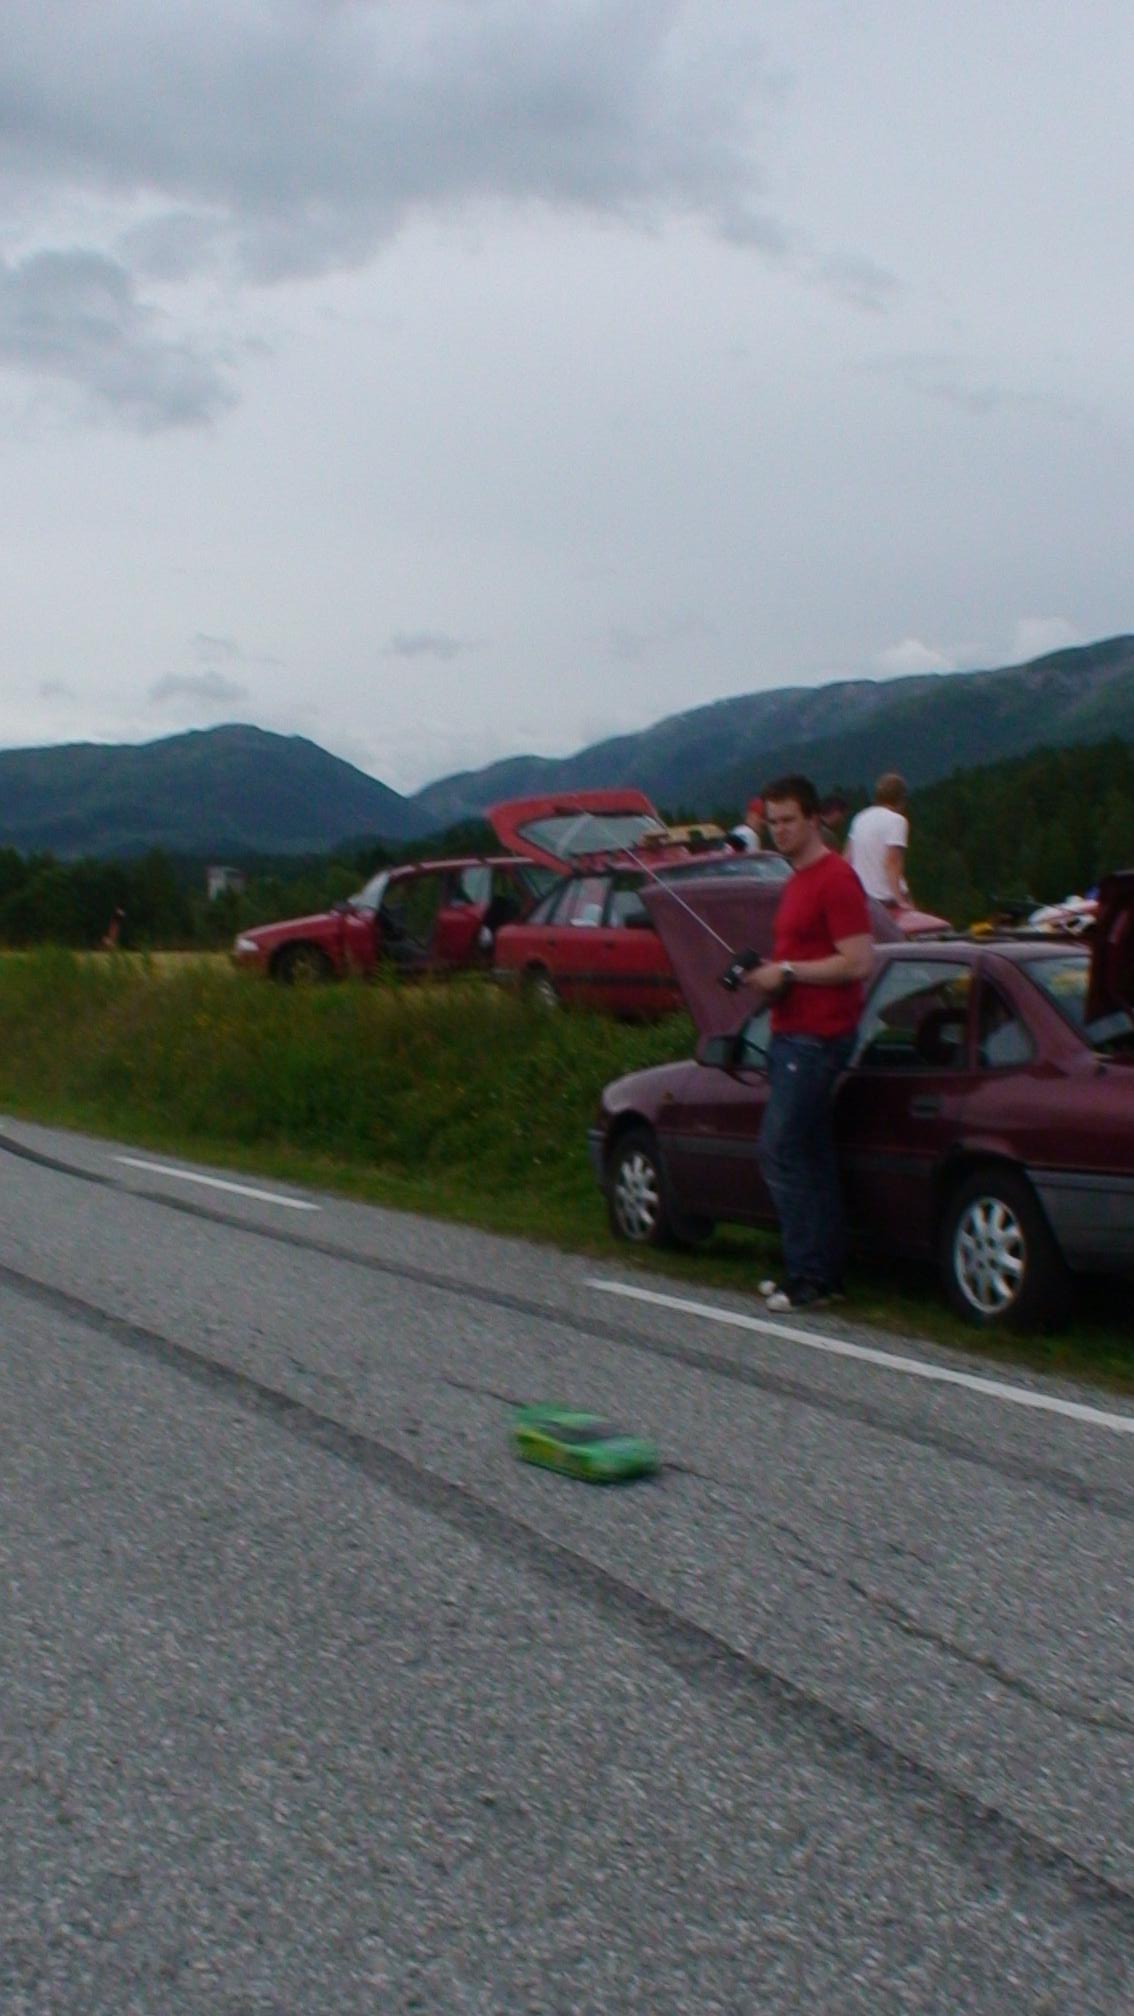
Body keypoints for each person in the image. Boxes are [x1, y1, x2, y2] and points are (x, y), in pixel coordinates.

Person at [741, 774, 873, 1312]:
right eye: (773, 822)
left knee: (780, 1150)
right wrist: (770, 976)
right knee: (813, 1155)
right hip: (789, 1031)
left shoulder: (835, 879)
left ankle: (805, 1274)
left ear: (814, 819)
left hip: (818, 1038)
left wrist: (789, 972)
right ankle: (823, 1274)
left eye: (789, 820)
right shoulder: (794, 881)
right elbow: (800, 959)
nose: (780, 831)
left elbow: (858, 962)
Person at [844, 772, 914, 909]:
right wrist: (900, 901)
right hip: (885, 898)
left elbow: (847, 858)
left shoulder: (860, 817)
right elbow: (892, 863)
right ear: (901, 799)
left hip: (861, 896)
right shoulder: (897, 821)